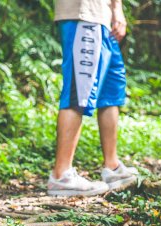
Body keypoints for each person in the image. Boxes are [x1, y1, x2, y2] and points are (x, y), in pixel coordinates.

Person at [48, 0, 137, 197]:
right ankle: (61, 175)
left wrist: (116, 9)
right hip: (84, 13)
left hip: (102, 17)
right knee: (79, 91)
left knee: (110, 92)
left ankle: (112, 167)